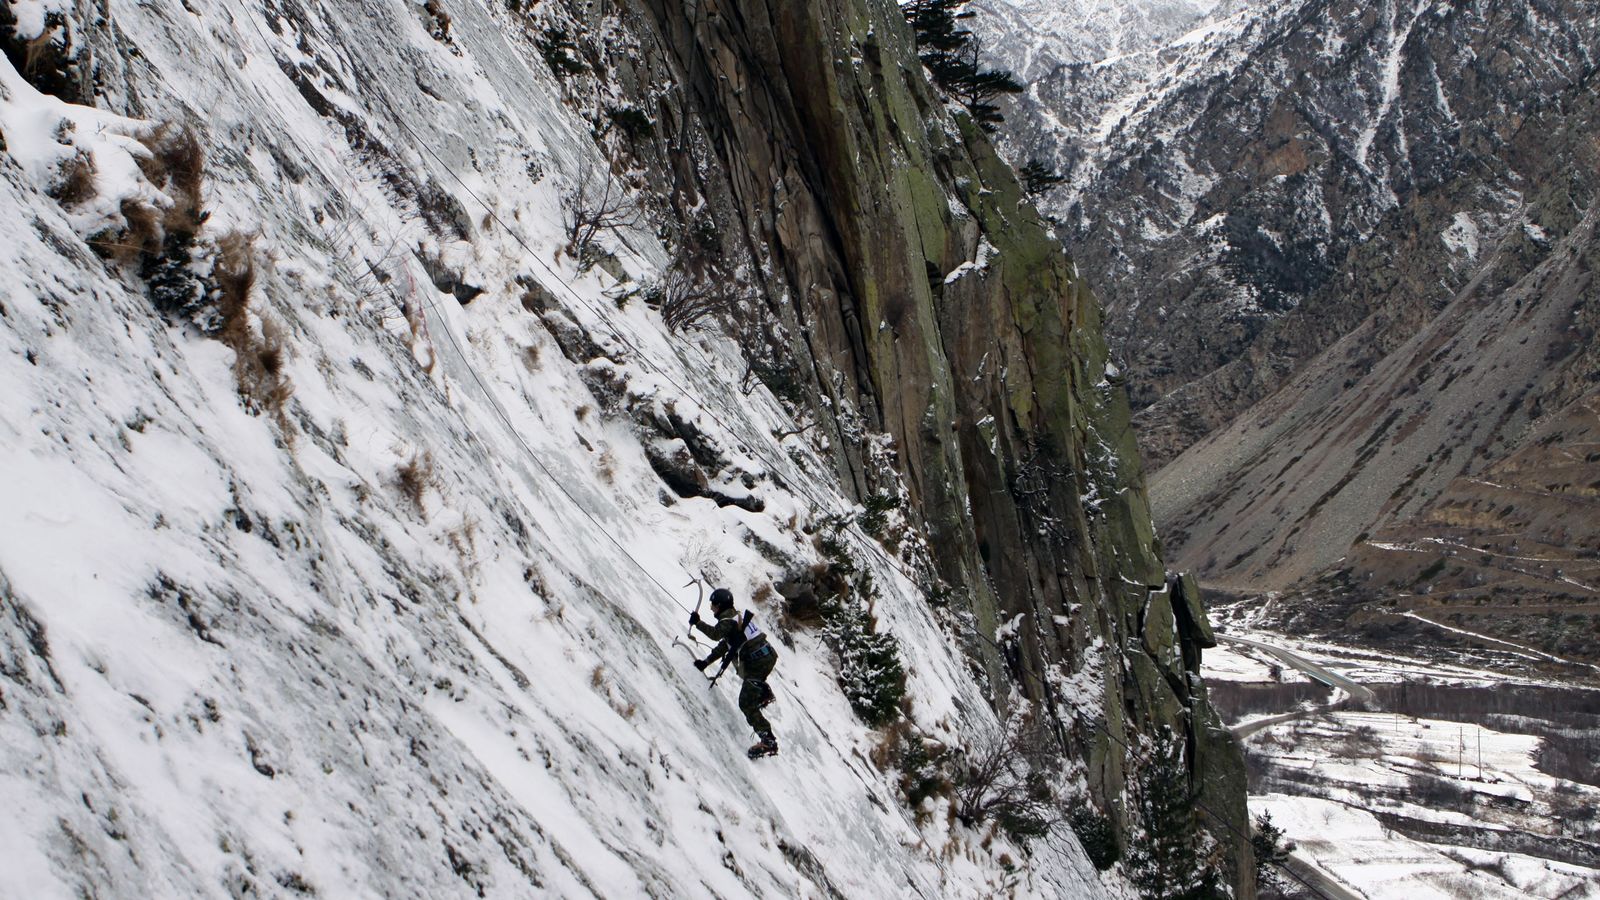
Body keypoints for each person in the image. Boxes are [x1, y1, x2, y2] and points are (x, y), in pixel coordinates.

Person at [690, 587, 780, 758]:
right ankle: (763, 692)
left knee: (746, 703)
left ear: (720, 605)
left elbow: (716, 635)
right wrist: (706, 662)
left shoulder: (727, 621)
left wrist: (697, 623)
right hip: (765, 656)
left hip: (758, 661)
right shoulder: (735, 617)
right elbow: (726, 645)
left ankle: (768, 740)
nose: (711, 608)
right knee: (749, 681)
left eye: (713, 605)